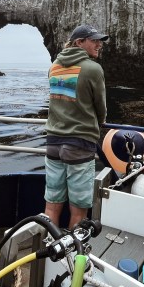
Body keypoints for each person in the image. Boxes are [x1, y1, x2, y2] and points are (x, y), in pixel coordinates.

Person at [44, 24, 109, 229]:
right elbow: (101, 107)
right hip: (79, 144)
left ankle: (49, 246)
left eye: (100, 40)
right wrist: (100, 123)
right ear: (79, 43)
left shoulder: (54, 66)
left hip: (53, 142)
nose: (99, 44)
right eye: (94, 40)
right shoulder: (92, 68)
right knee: (79, 210)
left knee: (52, 206)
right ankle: (70, 257)